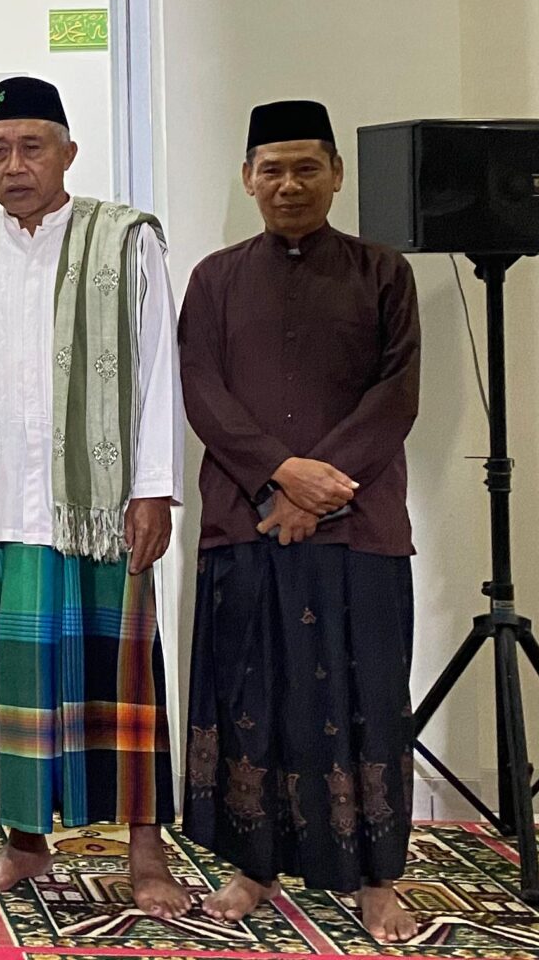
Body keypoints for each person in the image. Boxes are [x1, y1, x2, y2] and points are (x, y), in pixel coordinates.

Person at [0, 77, 185, 919]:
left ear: (68, 152)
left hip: (106, 508)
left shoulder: (124, 242)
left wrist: (154, 488)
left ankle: (146, 851)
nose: (14, 165)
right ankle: (26, 842)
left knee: (123, 681)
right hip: (0, 502)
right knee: (15, 682)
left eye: (31, 148)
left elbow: (158, 368)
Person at [178, 100, 423, 946]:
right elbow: (203, 390)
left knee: (367, 698)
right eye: (272, 169)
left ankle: (378, 879)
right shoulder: (215, 279)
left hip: (360, 528)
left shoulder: (383, 272)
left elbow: (396, 394)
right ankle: (253, 865)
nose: (289, 185)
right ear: (248, 179)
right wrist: (279, 475)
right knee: (255, 697)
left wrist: (318, 487)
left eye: (306, 168)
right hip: (245, 523)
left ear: (336, 175)